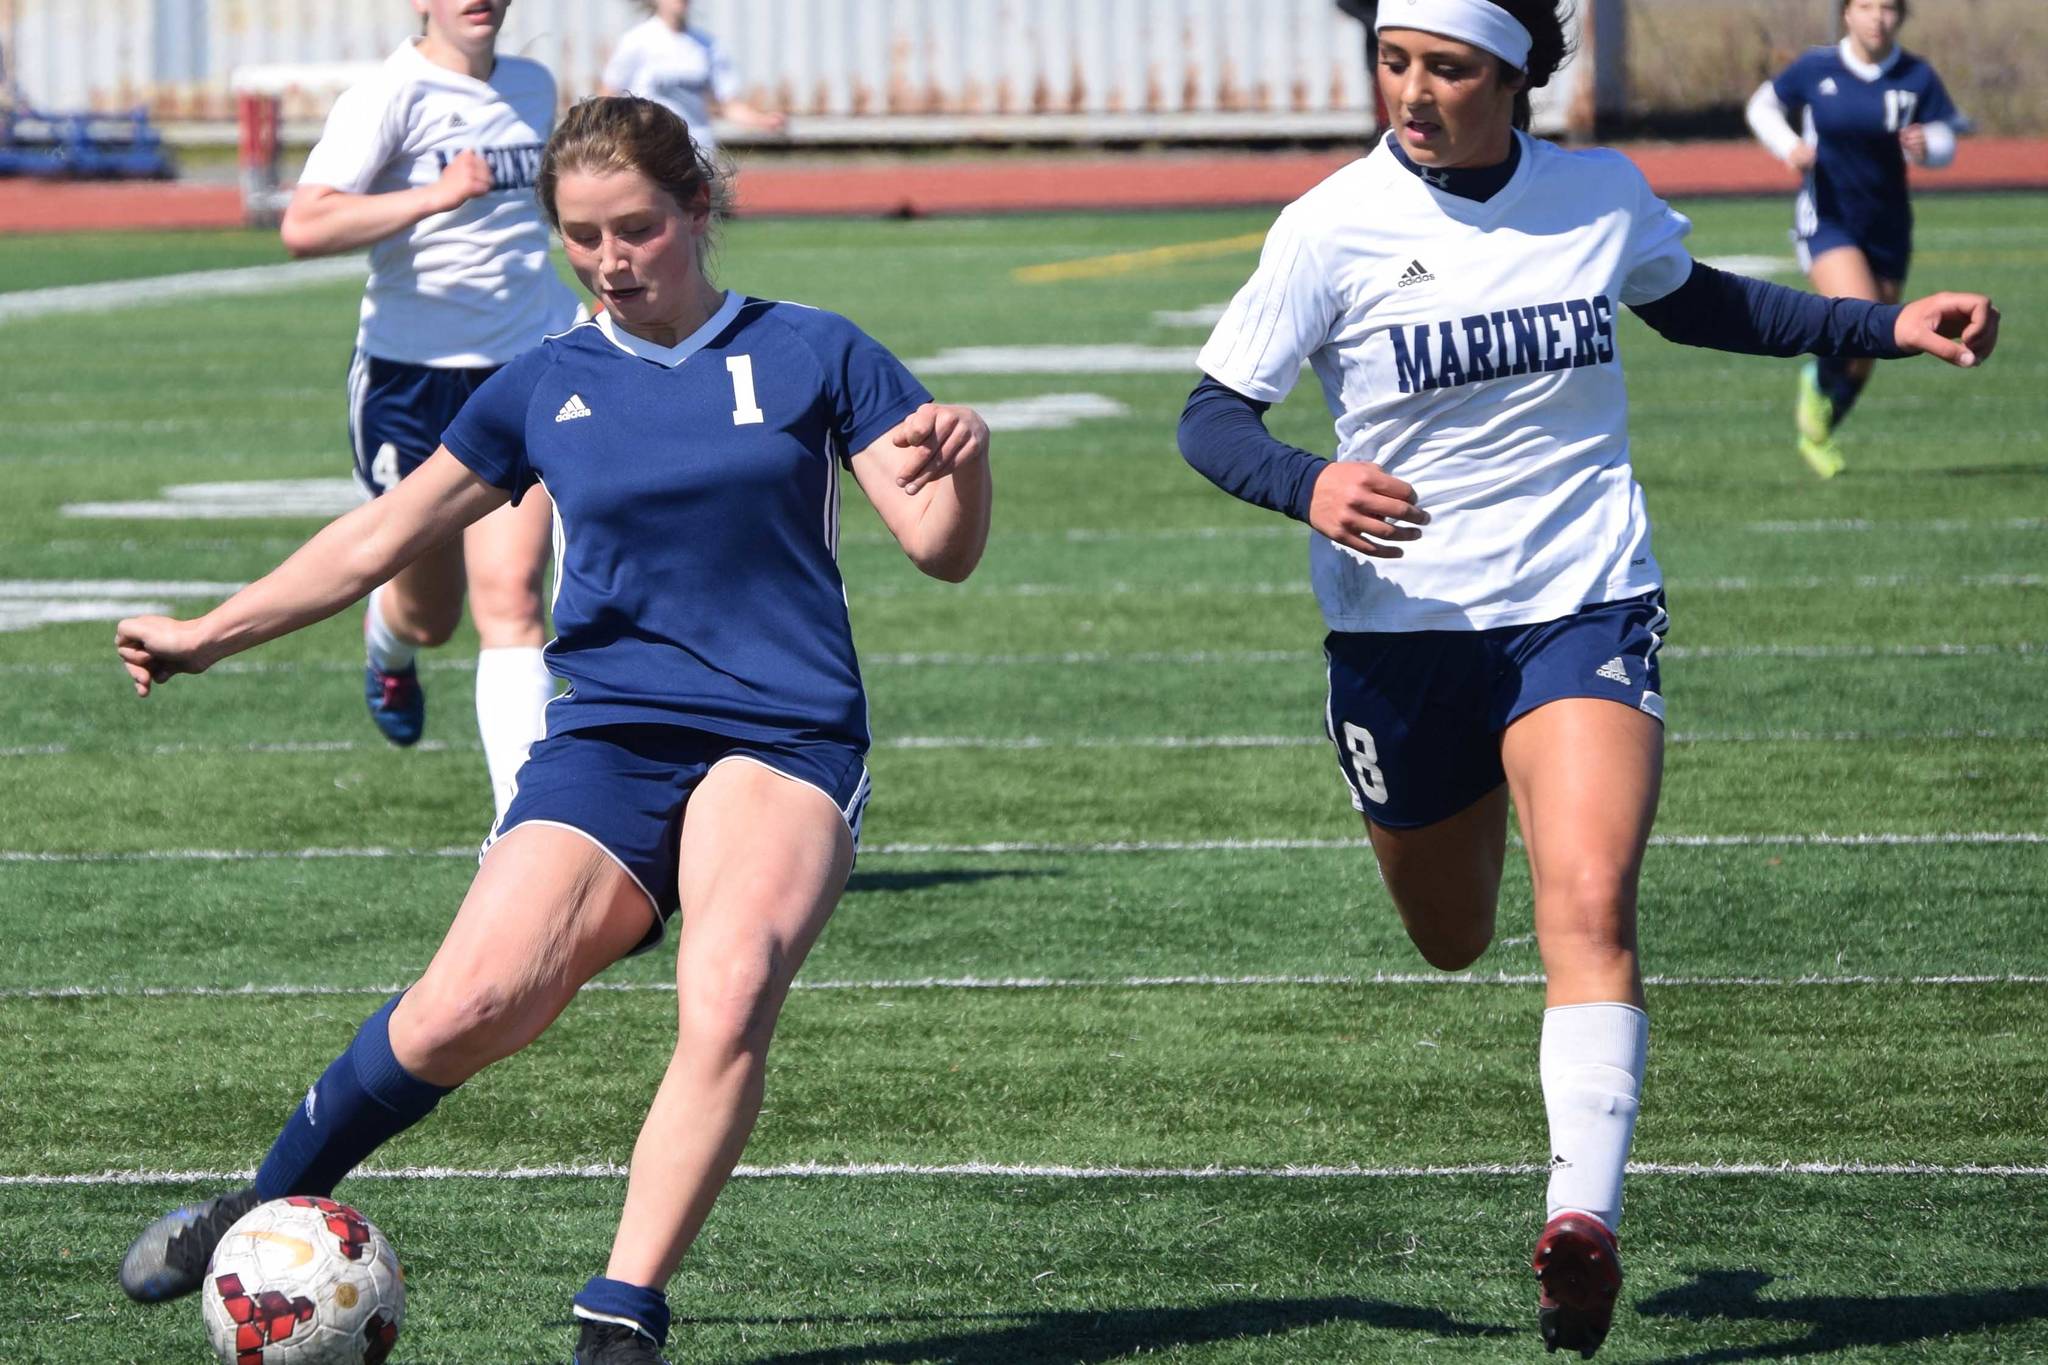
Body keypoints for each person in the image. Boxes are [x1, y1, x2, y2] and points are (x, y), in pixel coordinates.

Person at [113, 94, 992, 1365]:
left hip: (784, 737)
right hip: (612, 733)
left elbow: (937, 551)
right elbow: (376, 540)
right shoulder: (542, 383)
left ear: (698, 209)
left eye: (634, 227)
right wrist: (209, 632)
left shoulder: (816, 353)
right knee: (463, 1005)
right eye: (580, 237)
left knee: (731, 984)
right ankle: (253, 1206)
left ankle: (621, 1312)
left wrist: (967, 467)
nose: (609, 259)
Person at [1175, 0, 1997, 1356]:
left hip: (1583, 602)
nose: (1413, 92)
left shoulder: (1598, 196)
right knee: (1452, 937)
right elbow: (1214, 415)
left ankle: (1582, 1219)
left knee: (1592, 900)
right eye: (1394, 61)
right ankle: (1478, 861)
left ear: (1515, 76)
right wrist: (1308, 480)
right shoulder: (1330, 224)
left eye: (1447, 68)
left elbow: (1706, 303)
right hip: (1403, 638)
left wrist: (1887, 328)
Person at [280, 0, 581, 820]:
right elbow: (304, 223)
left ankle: (521, 833)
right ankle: (388, 635)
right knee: (430, 612)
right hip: (412, 383)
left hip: (524, 368)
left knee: (514, 595)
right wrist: (434, 196)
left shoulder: (533, 84)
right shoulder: (389, 96)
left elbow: (541, 221)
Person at [1745, 0, 1966, 478]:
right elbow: (1761, 106)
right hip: (1828, 218)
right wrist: (1789, 147)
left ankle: (1819, 419)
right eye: (1865, 6)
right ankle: (1818, 398)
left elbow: (1946, 137)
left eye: (1887, 8)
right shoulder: (1816, 67)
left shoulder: (1916, 75)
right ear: (1846, 14)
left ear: (1900, 16)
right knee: (1858, 310)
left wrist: (1930, 147)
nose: (1876, 17)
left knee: (1876, 345)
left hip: (1888, 226)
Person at [600, 0, 786, 160]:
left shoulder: (708, 45)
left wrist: (762, 120)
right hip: (651, 150)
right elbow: (608, 96)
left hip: (698, 150)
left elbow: (729, 105)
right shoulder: (636, 41)